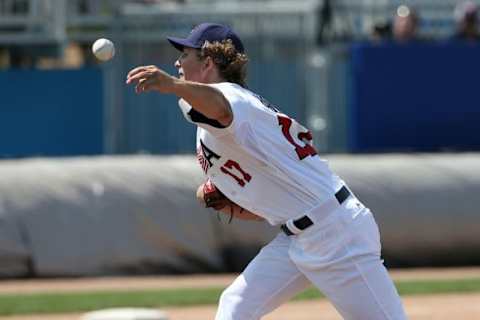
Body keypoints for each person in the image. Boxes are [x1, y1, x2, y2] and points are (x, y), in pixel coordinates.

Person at [126, 22, 407, 320]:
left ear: (208, 62)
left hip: (335, 234)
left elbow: (221, 107)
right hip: (298, 235)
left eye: (185, 54)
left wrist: (171, 85)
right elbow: (264, 207)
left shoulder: (231, 97)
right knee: (235, 306)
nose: (177, 62)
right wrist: (230, 193)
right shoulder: (226, 115)